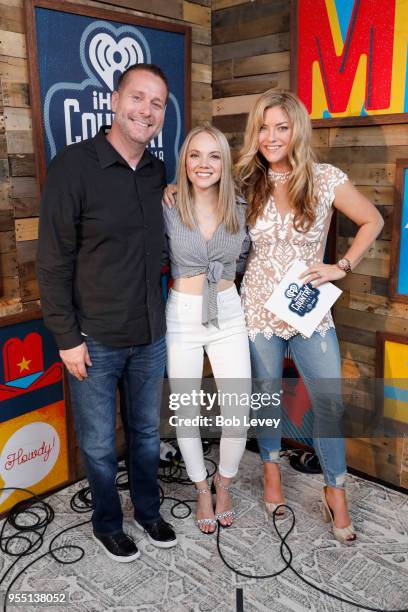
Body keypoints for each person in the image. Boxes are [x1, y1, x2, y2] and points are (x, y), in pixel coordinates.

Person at [37, 64, 177, 562]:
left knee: (144, 433)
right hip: (92, 338)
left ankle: (147, 510)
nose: (147, 110)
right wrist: (66, 337)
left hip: (150, 333)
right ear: (114, 100)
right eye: (138, 98)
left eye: (157, 103)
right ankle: (106, 522)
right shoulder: (73, 166)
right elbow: (52, 261)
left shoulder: (159, 171)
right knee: (98, 443)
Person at [235, 89, 384, 544]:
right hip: (257, 306)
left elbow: (372, 220)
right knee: (266, 398)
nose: (271, 136)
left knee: (328, 403)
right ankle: (271, 475)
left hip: (307, 309)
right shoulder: (246, 181)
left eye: (281, 127)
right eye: (263, 127)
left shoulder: (323, 178)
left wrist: (341, 266)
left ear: (297, 130)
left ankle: (335, 490)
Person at [163, 125, 252, 533]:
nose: (204, 164)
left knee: (238, 410)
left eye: (213, 155)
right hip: (182, 315)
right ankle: (201, 488)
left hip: (228, 312)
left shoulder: (239, 204)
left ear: (224, 162)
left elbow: (251, 255)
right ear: (184, 161)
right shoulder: (168, 202)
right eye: (195, 155)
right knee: (187, 410)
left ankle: (225, 483)